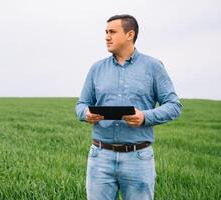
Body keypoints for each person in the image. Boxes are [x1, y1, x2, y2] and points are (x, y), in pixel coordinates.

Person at [75, 14, 182, 200]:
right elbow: (80, 104)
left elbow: (174, 106)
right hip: (100, 157)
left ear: (129, 34)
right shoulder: (96, 68)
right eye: (106, 32)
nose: (107, 37)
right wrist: (85, 113)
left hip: (138, 159)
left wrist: (145, 117)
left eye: (112, 32)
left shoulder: (153, 67)